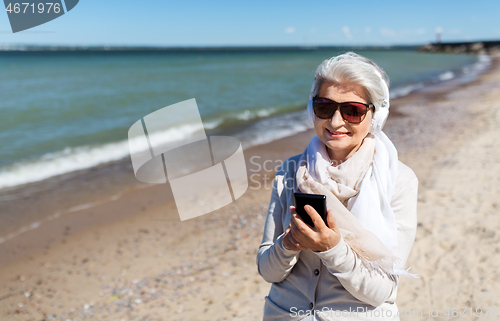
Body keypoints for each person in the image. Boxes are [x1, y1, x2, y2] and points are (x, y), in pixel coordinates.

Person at [256, 52, 418, 321]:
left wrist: (331, 249)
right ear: (312, 109)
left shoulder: (398, 180)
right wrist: (288, 244)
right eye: (324, 107)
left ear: (375, 116)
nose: (335, 122)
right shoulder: (290, 171)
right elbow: (267, 271)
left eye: (353, 111)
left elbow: (382, 290)